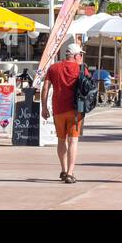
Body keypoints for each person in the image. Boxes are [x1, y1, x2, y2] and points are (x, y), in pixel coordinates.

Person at [42, 42, 85, 183]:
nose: (81, 57)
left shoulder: (53, 68)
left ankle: (63, 169)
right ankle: (70, 173)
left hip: (58, 109)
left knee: (61, 140)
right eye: (81, 55)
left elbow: (45, 88)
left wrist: (44, 107)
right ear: (76, 55)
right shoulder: (81, 69)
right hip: (75, 110)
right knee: (73, 141)